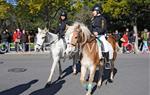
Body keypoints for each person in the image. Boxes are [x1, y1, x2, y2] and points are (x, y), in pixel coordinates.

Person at [90, 4, 113, 69]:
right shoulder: (92, 19)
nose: (92, 12)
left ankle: (107, 62)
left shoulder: (102, 19)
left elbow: (103, 28)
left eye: (93, 11)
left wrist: (97, 32)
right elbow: (90, 27)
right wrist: (91, 32)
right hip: (93, 35)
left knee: (105, 46)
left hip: (100, 35)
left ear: (98, 11)